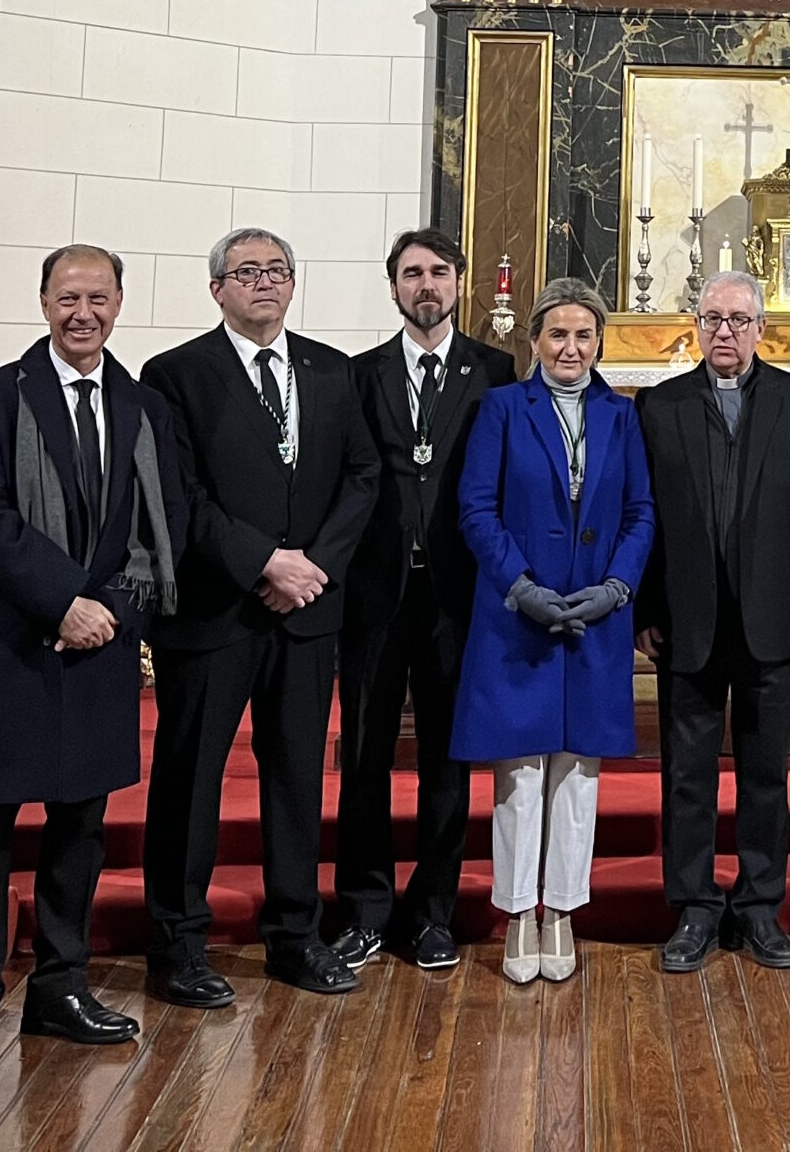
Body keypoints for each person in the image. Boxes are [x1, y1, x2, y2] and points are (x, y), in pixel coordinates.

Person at [0, 245, 187, 1073]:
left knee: (81, 825)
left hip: (101, 646)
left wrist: (112, 613)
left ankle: (59, 987)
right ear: (43, 301)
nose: (84, 313)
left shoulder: (143, 406)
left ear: (119, 303)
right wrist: (62, 602)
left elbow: (159, 523)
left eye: (99, 298)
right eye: (68, 296)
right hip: (6, 642)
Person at [139, 229, 379, 1006]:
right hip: (214, 613)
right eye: (247, 272)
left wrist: (312, 569)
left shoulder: (331, 370)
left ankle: (294, 937)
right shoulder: (175, 376)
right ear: (217, 289)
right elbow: (180, 496)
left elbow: (363, 476)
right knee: (191, 781)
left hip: (305, 613)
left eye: (278, 270)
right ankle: (177, 944)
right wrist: (262, 562)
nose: (265, 284)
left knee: (295, 782)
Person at [636, 270, 790, 973]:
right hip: (687, 621)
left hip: (773, 621)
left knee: (765, 775)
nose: (724, 331)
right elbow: (645, 520)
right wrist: (643, 610)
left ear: (761, 328)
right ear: (696, 327)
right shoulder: (660, 405)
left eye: (737, 319)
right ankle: (694, 909)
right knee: (687, 776)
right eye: (711, 319)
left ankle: (759, 908)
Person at [455, 279, 654, 985]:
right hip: (519, 615)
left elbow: (641, 513)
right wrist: (523, 588)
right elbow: (477, 508)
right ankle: (516, 914)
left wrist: (615, 588)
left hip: (594, 618)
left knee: (577, 772)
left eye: (584, 335)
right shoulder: (504, 408)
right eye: (558, 335)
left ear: (600, 342)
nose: (571, 348)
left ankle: (562, 911)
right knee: (519, 772)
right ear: (534, 341)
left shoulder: (622, 414)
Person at [328, 231, 517, 975]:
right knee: (367, 759)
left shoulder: (496, 371)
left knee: (447, 760)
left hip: (456, 595)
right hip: (374, 594)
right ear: (395, 287)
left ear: (461, 282)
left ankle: (433, 913)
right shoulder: (358, 374)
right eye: (412, 274)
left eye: (439, 272)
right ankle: (365, 911)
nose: (426, 285)